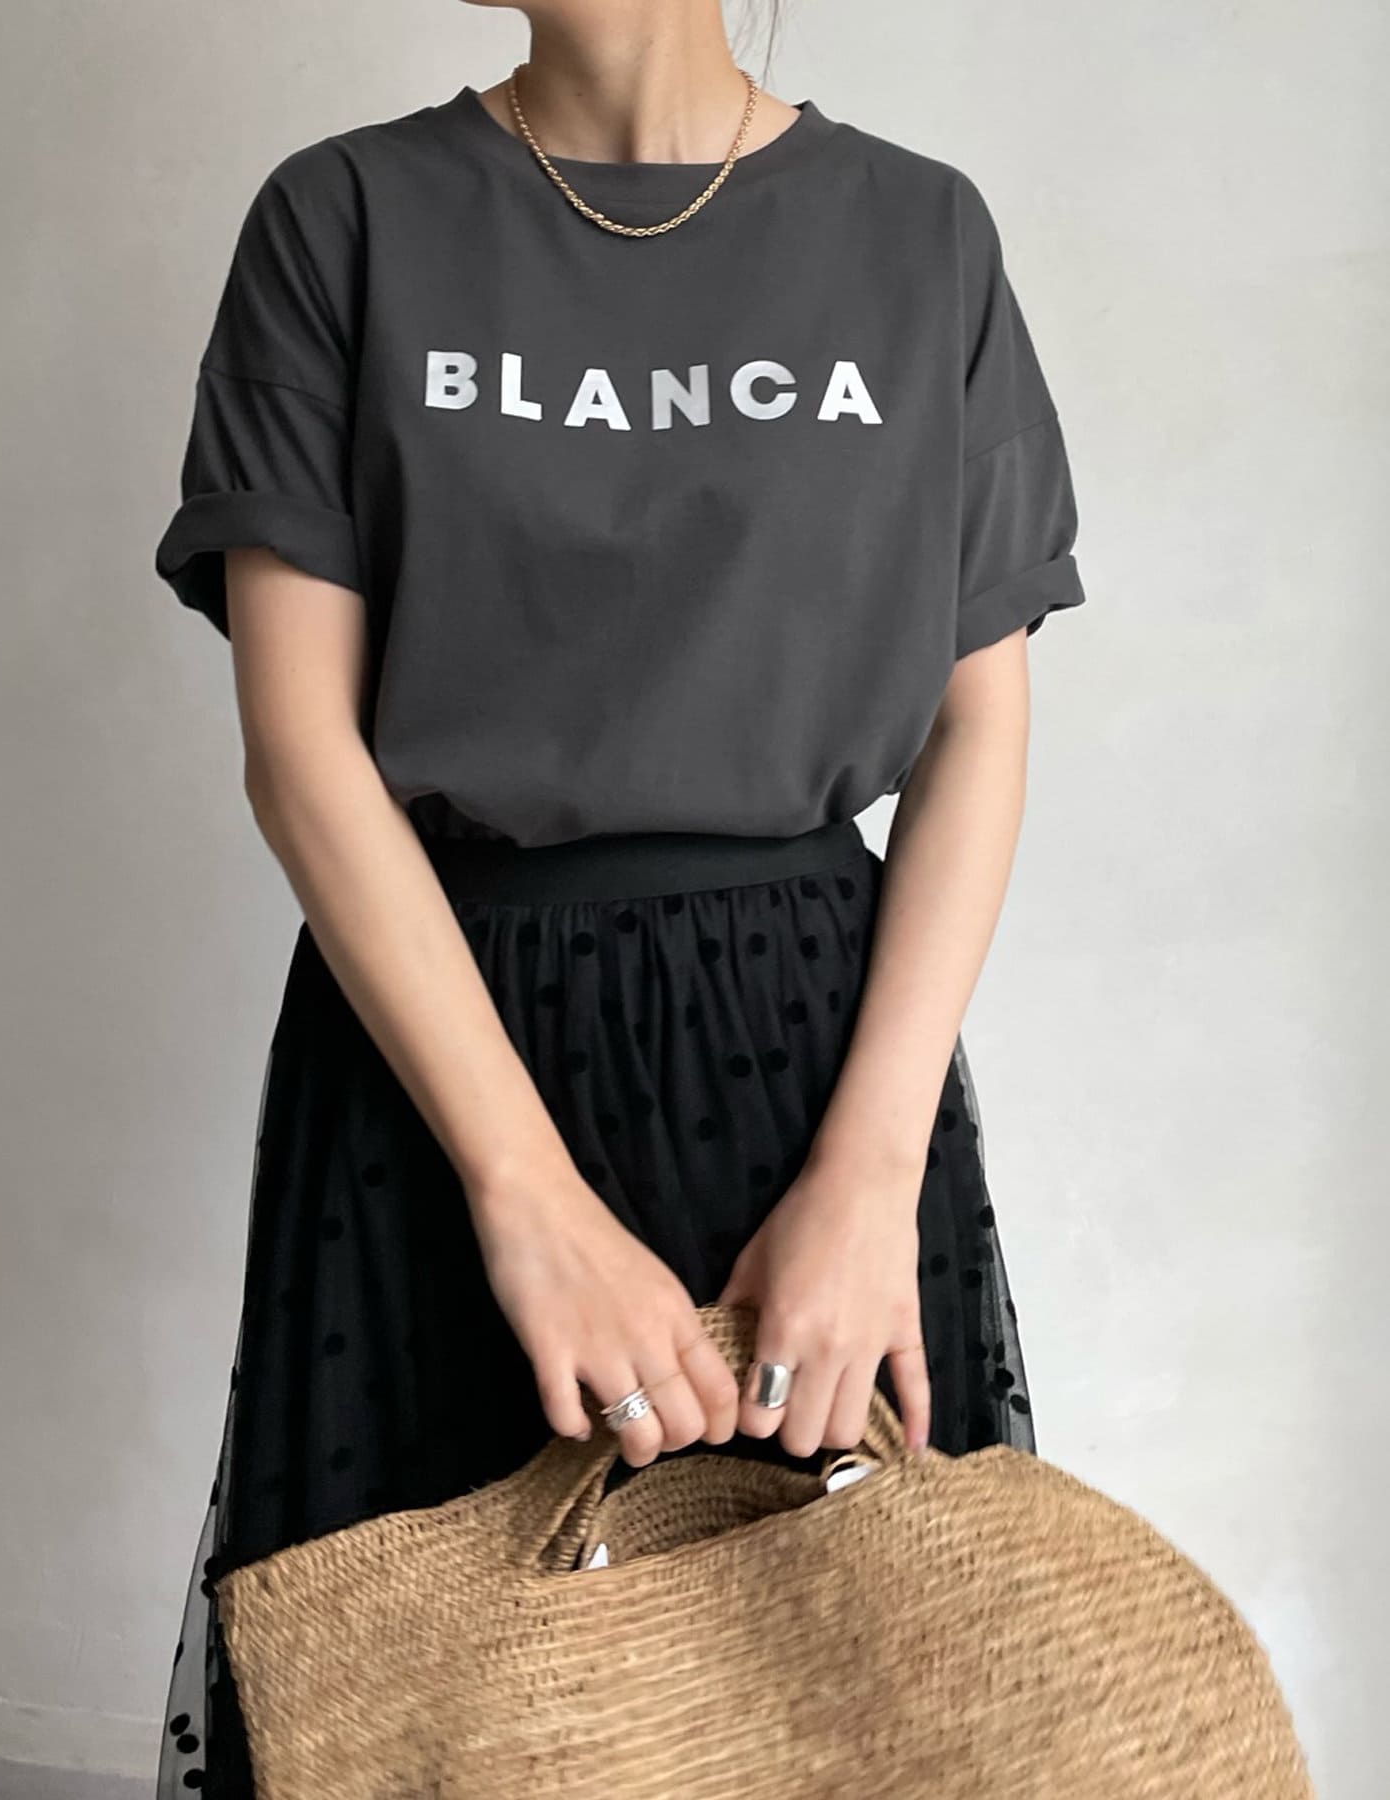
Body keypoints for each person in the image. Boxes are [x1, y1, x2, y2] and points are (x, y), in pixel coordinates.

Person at [151, 1, 1086, 1791]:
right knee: (436, 1711)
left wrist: (870, 1179)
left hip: (817, 1062)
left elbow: (979, 729)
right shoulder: (344, 218)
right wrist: (526, 1200)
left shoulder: (919, 231)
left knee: (840, 1703)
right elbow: (303, 753)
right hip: (445, 1053)